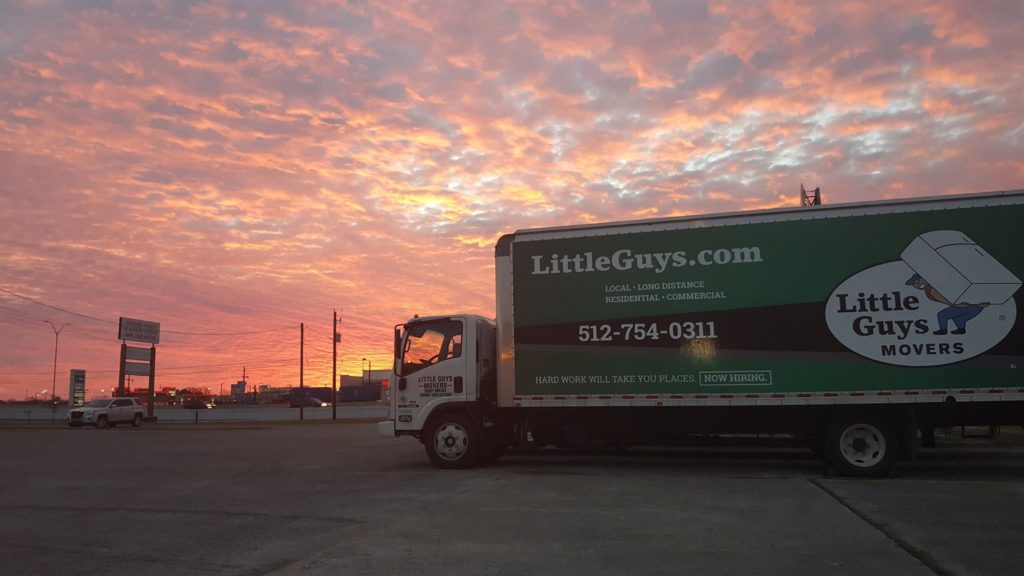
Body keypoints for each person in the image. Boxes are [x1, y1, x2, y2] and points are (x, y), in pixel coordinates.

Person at [906, 273, 988, 335]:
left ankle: (943, 330)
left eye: (918, 280)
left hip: (965, 304)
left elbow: (942, 298)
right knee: (959, 319)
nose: (918, 284)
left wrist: (956, 305)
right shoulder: (929, 288)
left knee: (942, 315)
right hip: (969, 305)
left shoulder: (931, 288)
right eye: (915, 284)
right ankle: (961, 329)